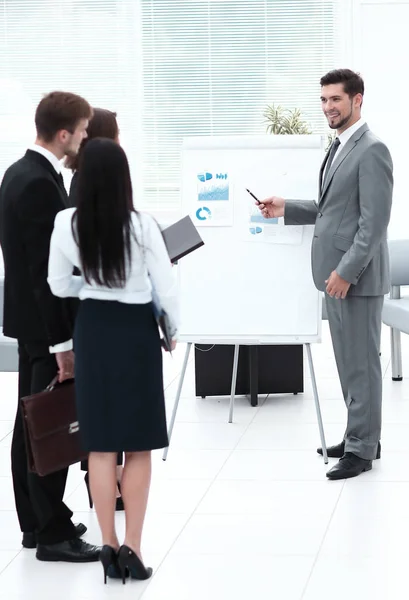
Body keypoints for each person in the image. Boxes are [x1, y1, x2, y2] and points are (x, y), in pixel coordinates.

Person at [47, 138, 178, 583]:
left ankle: (106, 542)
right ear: (124, 178)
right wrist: (171, 328)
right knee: (138, 444)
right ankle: (133, 549)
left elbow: (57, 283)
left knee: (100, 446)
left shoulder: (66, 223)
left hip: (94, 330)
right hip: (135, 332)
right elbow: (167, 287)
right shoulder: (142, 225)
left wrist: (90, 289)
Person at [258, 69, 393, 481]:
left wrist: (347, 272)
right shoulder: (339, 147)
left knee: (362, 364)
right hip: (337, 278)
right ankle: (360, 437)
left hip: (355, 278)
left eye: (336, 99)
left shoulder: (372, 150)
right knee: (348, 363)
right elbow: (332, 208)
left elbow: (374, 224)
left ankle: (362, 451)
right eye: (323, 100)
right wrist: (287, 207)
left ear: (358, 100)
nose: (328, 107)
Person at [0, 92, 100, 562]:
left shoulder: (19, 172)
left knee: (29, 425)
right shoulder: (40, 183)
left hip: (28, 321)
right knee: (50, 427)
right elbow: (46, 276)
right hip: (45, 328)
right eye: (81, 131)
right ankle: (53, 534)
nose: (83, 138)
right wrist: (63, 343)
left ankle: (35, 524)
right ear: (64, 133)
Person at [66, 107, 125, 511]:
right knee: (106, 405)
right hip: (104, 313)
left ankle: (107, 483)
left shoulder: (86, 182)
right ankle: (106, 485)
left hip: (100, 312)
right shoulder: (90, 188)